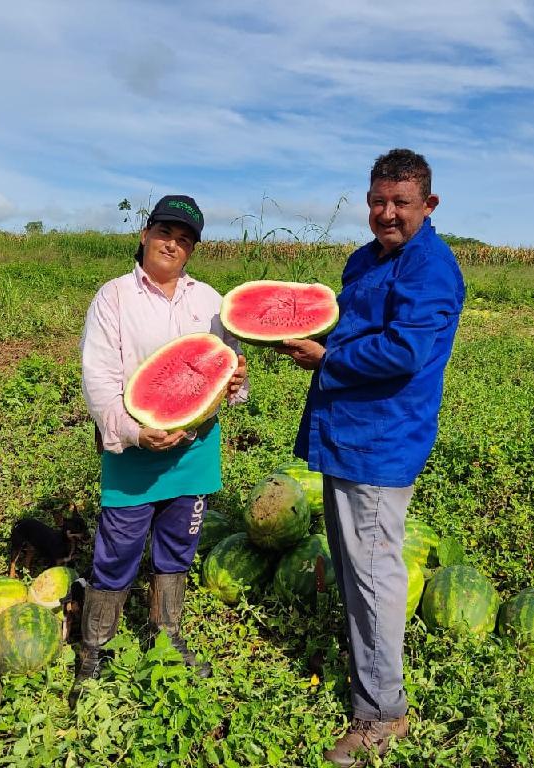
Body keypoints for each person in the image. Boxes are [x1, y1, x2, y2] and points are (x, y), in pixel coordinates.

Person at [276, 149, 465, 765]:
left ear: (428, 206)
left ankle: (381, 713)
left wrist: (326, 359)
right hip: (345, 432)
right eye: (378, 201)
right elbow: (344, 322)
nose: (387, 213)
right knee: (356, 563)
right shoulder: (365, 260)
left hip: (381, 440)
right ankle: (370, 669)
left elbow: (403, 353)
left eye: (401, 203)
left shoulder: (431, 268)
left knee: (374, 572)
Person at [71, 194, 247, 708]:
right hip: (133, 449)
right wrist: (132, 429)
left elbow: (226, 378)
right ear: (146, 234)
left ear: (193, 248)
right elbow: (98, 379)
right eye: (167, 231)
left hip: (194, 451)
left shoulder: (211, 301)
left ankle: (167, 640)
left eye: (186, 238)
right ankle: (94, 650)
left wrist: (237, 382)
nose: (175, 243)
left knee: (178, 547)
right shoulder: (114, 297)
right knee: (118, 548)